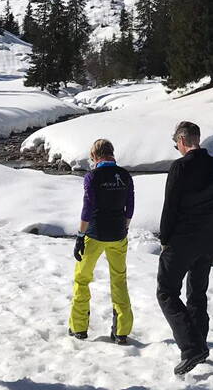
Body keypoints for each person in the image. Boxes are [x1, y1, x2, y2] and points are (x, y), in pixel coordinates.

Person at [157, 120, 213, 376]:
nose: (176, 147)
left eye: (176, 142)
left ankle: (192, 348)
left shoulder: (180, 167)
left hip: (183, 240)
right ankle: (200, 344)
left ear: (183, 141)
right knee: (197, 293)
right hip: (208, 238)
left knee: (166, 291)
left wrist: (165, 238)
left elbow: (171, 206)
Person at [69, 138, 135, 344]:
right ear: (111, 153)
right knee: (119, 280)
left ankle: (79, 327)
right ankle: (122, 331)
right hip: (118, 235)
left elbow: (87, 209)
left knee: (82, 279)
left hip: (94, 235)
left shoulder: (92, 177)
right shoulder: (125, 176)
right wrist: (124, 227)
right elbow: (130, 207)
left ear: (95, 156)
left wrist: (80, 237)